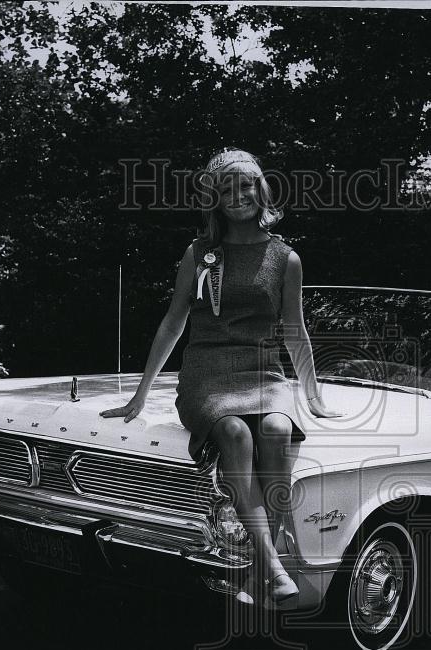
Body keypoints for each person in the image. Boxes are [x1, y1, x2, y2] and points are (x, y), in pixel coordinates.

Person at [100, 148, 340, 605]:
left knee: (275, 428)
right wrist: (140, 394)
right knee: (234, 431)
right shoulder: (199, 253)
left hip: (262, 368)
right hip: (207, 370)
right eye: (225, 189)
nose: (237, 196)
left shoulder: (285, 257)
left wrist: (313, 396)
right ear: (214, 198)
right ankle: (272, 565)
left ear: (261, 190)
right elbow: (174, 322)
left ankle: (260, 565)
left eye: (245, 186)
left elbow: (295, 331)